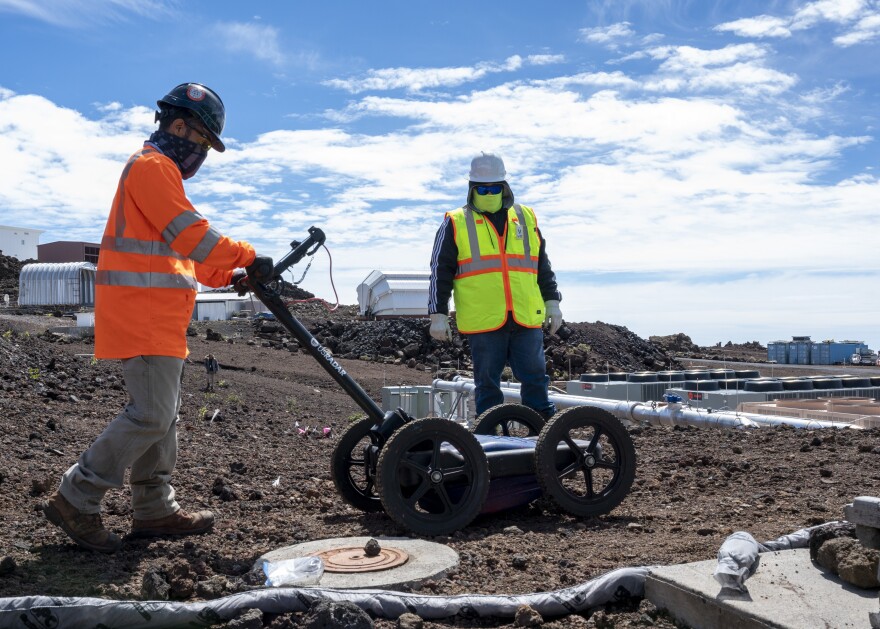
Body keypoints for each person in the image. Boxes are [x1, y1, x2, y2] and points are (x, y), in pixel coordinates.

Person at [41, 82, 274, 553]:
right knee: (149, 415)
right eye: (202, 142)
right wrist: (249, 255)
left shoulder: (160, 174)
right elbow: (192, 234)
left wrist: (233, 275)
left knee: (162, 419)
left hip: (160, 320)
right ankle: (75, 496)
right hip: (142, 316)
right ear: (179, 126)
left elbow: (195, 258)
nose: (201, 153)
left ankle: (153, 510)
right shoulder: (151, 167)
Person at [428, 152, 563, 419]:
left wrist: (553, 301)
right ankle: (490, 444)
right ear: (471, 188)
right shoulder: (455, 221)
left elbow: (541, 264)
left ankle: (545, 440)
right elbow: (439, 270)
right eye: (482, 188)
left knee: (536, 381)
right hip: (484, 320)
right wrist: (437, 313)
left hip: (525, 316)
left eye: (494, 188)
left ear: (505, 186)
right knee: (488, 387)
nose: (489, 193)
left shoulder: (525, 217)